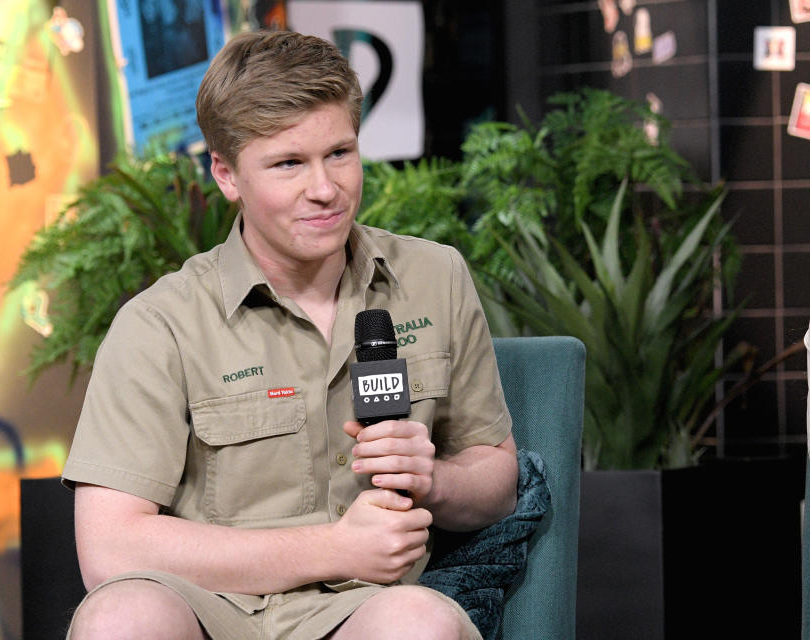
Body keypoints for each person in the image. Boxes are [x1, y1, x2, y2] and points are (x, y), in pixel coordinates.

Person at [61, 30, 518, 640]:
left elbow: (497, 482)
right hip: (208, 607)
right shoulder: (159, 323)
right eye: (288, 164)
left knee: (419, 623)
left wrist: (434, 477)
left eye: (340, 154)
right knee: (121, 618)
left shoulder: (435, 277)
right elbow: (110, 546)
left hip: (367, 609)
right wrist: (334, 547)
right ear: (226, 174)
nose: (325, 189)